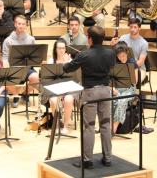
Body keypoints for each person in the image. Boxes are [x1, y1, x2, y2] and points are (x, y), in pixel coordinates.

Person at [63, 26, 115, 169]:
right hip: (105, 91)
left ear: (90, 38)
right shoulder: (110, 53)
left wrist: (65, 60)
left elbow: (68, 68)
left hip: (90, 92)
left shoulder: (84, 55)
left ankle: (87, 160)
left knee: (89, 127)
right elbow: (110, 65)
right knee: (105, 125)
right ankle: (108, 158)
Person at [1, 15, 39, 107]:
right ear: (15, 24)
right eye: (19, 24)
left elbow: (34, 57)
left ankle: (25, 95)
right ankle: (15, 96)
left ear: (26, 25)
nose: (21, 26)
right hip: (13, 69)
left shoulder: (31, 39)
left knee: (36, 78)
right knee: (4, 78)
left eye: (23, 24)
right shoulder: (8, 41)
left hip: (27, 68)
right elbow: (5, 58)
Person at [47, 39, 74, 135]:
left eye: (63, 48)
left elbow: (72, 78)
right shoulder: (51, 61)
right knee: (54, 101)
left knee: (69, 100)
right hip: (54, 89)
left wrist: (66, 63)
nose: (61, 50)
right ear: (55, 49)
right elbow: (48, 79)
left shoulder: (70, 61)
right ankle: (58, 123)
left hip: (68, 89)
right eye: (59, 48)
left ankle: (66, 125)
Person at [111, 44, 138, 134]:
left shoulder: (132, 63)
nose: (121, 58)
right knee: (110, 101)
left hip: (130, 89)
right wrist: (113, 88)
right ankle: (107, 126)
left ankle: (113, 129)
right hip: (117, 88)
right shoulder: (114, 63)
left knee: (121, 101)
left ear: (127, 53)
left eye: (123, 55)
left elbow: (135, 81)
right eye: (119, 56)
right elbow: (110, 78)